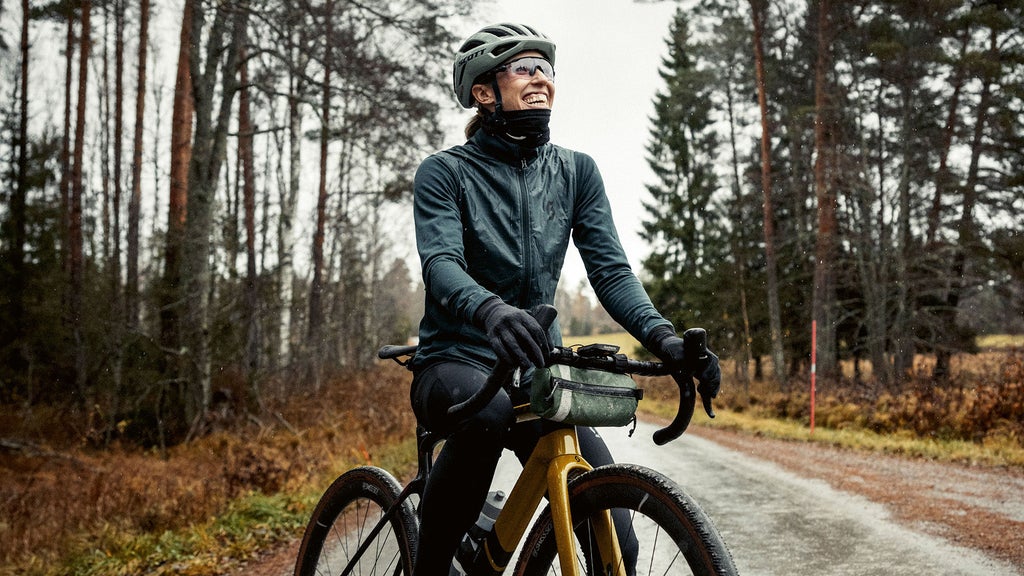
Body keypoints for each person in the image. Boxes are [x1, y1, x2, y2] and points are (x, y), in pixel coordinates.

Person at [410, 22, 720, 575]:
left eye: (546, 70)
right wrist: (490, 310)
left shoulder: (576, 172)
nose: (540, 81)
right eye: (524, 69)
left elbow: (611, 273)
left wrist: (663, 336)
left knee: (612, 537)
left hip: (538, 366)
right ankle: (428, 567)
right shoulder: (446, 173)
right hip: (455, 358)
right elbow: (441, 266)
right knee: (487, 418)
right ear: (484, 91)